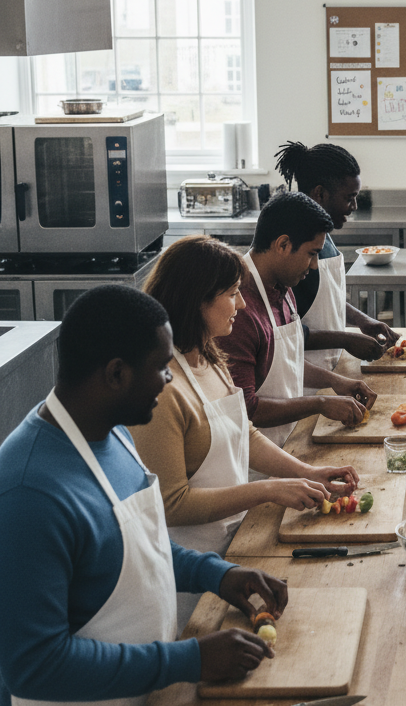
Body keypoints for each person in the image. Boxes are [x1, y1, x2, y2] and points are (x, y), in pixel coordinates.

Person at [0, 285, 287, 706]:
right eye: (161, 367)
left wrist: (216, 574)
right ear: (116, 374)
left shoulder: (113, 432)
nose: (170, 379)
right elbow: (34, 666)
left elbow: (138, 550)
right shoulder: (28, 493)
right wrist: (187, 659)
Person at [132, 235, 360, 628]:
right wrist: (268, 490)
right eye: (232, 294)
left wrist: (304, 472)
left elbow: (244, 434)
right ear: (197, 299)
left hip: (237, 548)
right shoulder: (162, 390)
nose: (241, 304)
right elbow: (172, 504)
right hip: (193, 574)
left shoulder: (208, 354)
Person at [219, 191, 378, 449]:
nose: (314, 266)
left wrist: (335, 381)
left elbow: (284, 362)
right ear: (282, 245)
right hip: (257, 468)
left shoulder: (284, 286)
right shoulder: (239, 309)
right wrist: (321, 403)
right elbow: (246, 409)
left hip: (290, 444)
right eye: (311, 254)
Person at [275, 140, 398, 371]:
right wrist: (346, 339)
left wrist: (362, 321)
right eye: (349, 197)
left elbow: (325, 300)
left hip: (330, 369)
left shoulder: (322, 234)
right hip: (303, 377)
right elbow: (284, 332)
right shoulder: (293, 249)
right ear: (320, 193)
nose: (354, 206)